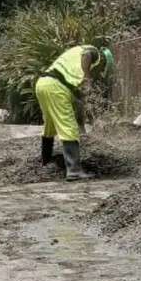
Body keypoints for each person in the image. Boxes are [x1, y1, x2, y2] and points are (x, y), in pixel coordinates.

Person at [35, 45, 114, 180]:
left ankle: (46, 161)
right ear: (103, 62)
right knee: (69, 127)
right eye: (101, 70)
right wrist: (88, 79)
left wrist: (82, 125)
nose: (99, 73)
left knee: (50, 125)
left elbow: (78, 102)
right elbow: (87, 55)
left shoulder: (74, 65)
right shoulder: (94, 53)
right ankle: (74, 170)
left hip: (43, 84)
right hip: (56, 87)